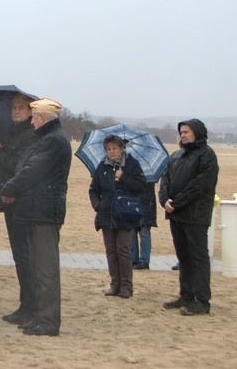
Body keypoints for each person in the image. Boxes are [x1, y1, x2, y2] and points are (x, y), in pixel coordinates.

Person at [0, 98, 71, 337]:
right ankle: (40, 316)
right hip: (34, 209)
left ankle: (49, 322)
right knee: (37, 268)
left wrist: (8, 190)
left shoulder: (53, 141)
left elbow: (31, 171)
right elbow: (23, 166)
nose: (31, 120)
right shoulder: (44, 139)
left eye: (33, 116)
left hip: (44, 212)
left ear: (42, 117)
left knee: (46, 269)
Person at [0, 93, 38, 325]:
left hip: (22, 202)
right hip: (11, 200)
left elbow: (20, 166)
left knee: (25, 256)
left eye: (21, 108)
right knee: (20, 256)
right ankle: (26, 304)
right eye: (14, 108)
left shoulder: (30, 135)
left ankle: (30, 306)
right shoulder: (14, 133)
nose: (16, 111)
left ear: (30, 111)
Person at [160, 119, 218, 316]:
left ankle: (202, 300)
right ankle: (186, 295)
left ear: (197, 133)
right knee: (183, 257)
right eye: (181, 132)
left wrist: (177, 202)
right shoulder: (176, 155)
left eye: (187, 132)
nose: (183, 135)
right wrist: (164, 200)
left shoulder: (207, 155)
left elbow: (201, 185)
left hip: (195, 215)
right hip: (176, 215)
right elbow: (165, 178)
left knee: (198, 258)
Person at [88, 135, 148, 299]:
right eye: (109, 149)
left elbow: (142, 187)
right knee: (111, 251)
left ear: (121, 149)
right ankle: (115, 284)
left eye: (115, 148)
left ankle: (127, 287)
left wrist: (124, 177)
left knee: (123, 249)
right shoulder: (102, 166)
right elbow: (94, 189)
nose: (112, 151)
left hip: (126, 214)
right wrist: (98, 205)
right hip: (106, 214)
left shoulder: (132, 164)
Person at [132, 182, 157, 270]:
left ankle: (144, 260)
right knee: (132, 232)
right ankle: (134, 259)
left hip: (146, 204)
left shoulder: (149, 176)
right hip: (134, 202)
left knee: (144, 232)